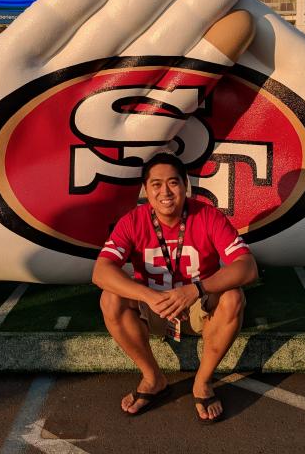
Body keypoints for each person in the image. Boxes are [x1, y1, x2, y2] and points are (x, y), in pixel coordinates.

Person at [92, 152, 258, 423]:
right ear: (146, 189)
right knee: (110, 298)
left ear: (185, 186)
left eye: (173, 182)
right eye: (156, 184)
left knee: (232, 296)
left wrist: (195, 289)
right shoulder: (133, 221)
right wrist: (148, 295)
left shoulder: (207, 215)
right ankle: (152, 377)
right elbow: (101, 271)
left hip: (199, 308)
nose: (165, 191)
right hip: (154, 306)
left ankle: (203, 382)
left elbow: (247, 267)